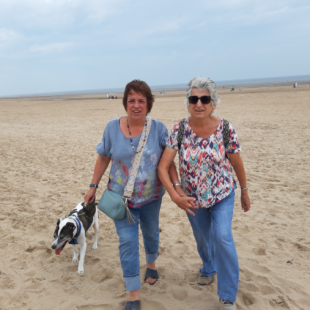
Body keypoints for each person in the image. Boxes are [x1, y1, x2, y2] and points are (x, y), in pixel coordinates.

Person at [158, 77, 250, 310]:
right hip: (192, 197)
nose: (199, 104)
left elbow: (237, 163)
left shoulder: (226, 129)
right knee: (202, 239)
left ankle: (227, 297)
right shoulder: (179, 130)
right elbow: (163, 166)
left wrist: (244, 191)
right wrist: (176, 194)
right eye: (194, 99)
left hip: (222, 194)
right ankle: (208, 267)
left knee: (223, 237)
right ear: (188, 103)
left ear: (213, 103)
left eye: (204, 99)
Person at [84, 80, 171, 310]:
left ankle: (151, 264)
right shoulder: (112, 128)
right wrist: (93, 185)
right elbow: (103, 156)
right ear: (125, 103)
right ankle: (134, 294)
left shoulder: (159, 129)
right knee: (128, 242)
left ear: (148, 104)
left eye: (141, 101)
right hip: (121, 200)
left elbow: (168, 160)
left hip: (152, 198)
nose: (136, 105)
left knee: (151, 233)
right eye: (131, 100)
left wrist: (176, 187)